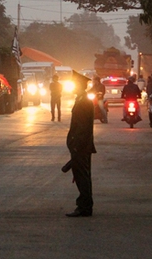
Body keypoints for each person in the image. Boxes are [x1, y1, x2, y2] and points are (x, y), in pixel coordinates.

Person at [65, 71, 96, 217]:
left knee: (82, 177)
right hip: (80, 145)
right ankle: (84, 204)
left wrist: (77, 145)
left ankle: (84, 206)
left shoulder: (84, 101)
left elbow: (83, 127)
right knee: (80, 176)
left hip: (81, 146)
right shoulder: (82, 99)